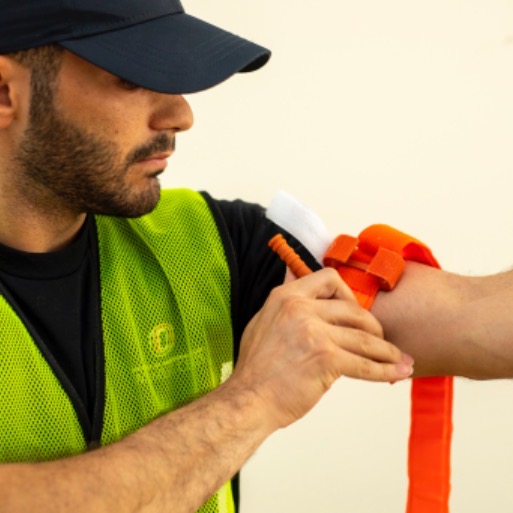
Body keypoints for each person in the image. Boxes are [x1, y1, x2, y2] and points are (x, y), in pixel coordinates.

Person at [0, 1, 415, 512]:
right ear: (5, 93)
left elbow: (471, 320)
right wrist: (254, 401)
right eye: (132, 78)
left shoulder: (207, 239)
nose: (181, 115)